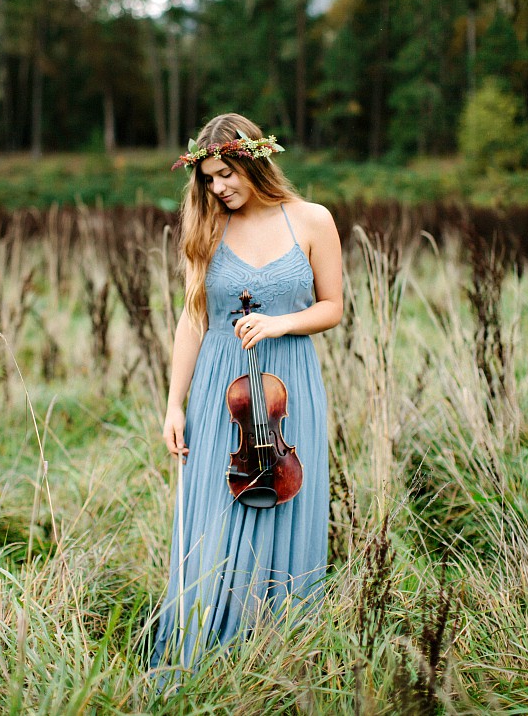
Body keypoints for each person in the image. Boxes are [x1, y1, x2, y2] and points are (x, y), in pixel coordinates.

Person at [151, 113, 343, 670]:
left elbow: (332, 307)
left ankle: (279, 650)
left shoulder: (310, 220)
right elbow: (194, 321)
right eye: (209, 179)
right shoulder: (207, 228)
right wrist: (173, 402)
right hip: (221, 387)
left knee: (284, 502)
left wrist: (280, 323)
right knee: (217, 507)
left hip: (288, 388)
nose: (219, 188)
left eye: (226, 175)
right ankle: (206, 646)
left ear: (252, 161)